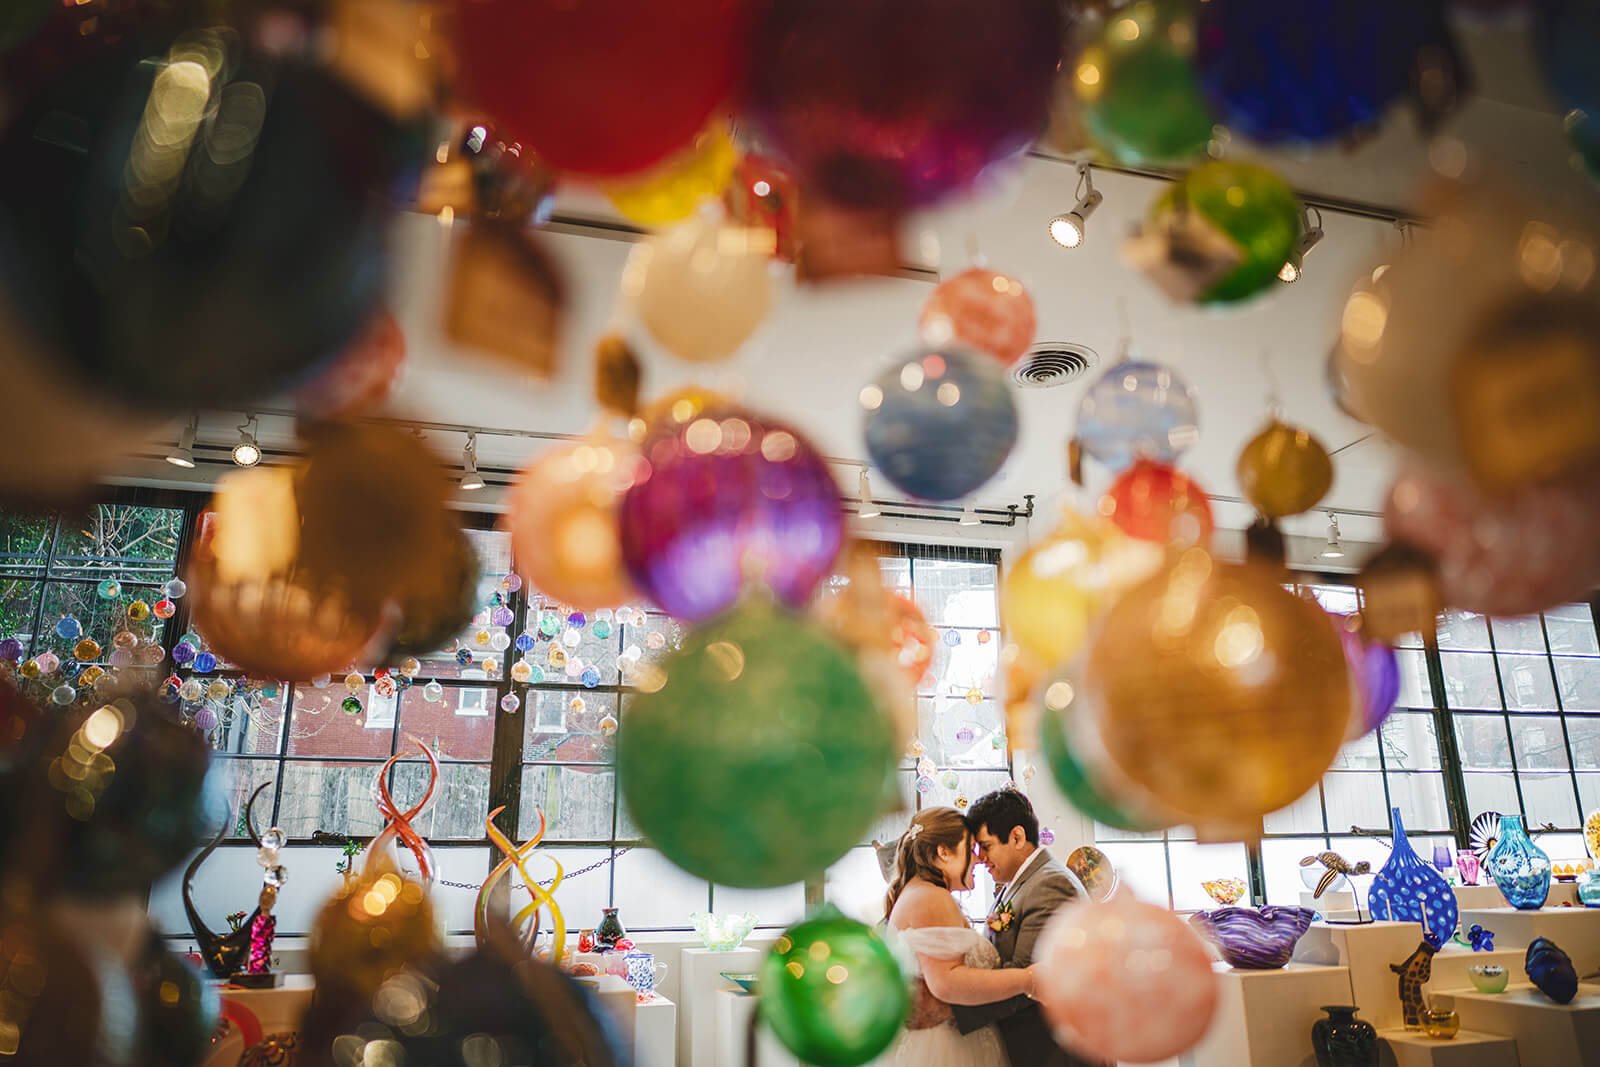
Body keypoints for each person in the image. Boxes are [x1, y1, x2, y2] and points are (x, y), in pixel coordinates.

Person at [954, 788, 1102, 1067]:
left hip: (1051, 1052)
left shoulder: (1050, 884)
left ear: (1017, 837)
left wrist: (952, 1010)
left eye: (985, 846)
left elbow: (1028, 979)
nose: (980, 858)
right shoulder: (1017, 884)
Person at [881, 806, 1037, 1067]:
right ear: (943, 852)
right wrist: (1028, 980)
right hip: (944, 1049)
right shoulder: (931, 897)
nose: (977, 860)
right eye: (972, 848)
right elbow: (947, 982)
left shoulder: (919, 891)